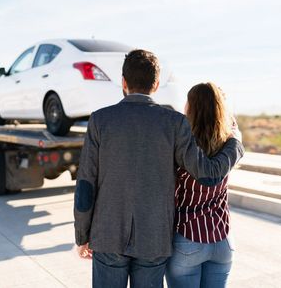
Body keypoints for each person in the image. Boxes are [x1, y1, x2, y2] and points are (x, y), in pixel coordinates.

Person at [73, 49, 244, 288]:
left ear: (123, 82)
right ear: (156, 84)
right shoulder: (175, 122)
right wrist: (235, 143)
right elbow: (207, 173)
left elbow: (85, 184)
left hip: (107, 236)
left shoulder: (100, 120)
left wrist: (82, 235)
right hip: (154, 240)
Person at [165, 83, 236, 288]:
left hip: (188, 239)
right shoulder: (228, 146)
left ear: (191, 107)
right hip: (222, 240)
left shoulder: (183, 148)